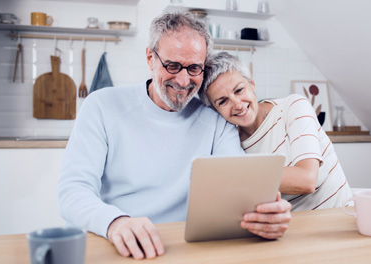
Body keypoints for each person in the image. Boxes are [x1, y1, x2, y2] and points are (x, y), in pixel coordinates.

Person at [57, 12, 291, 260]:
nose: (183, 80)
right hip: (117, 243)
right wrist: (115, 222)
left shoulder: (215, 121)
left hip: (185, 249)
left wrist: (265, 215)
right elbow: (73, 191)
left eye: (194, 68)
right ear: (150, 58)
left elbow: (240, 189)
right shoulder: (101, 106)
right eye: (172, 66)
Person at [199, 52, 353, 211]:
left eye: (239, 90)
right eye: (223, 101)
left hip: (340, 219)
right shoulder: (230, 144)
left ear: (252, 83)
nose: (237, 104)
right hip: (289, 229)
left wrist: (233, 176)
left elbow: (307, 180)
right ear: (216, 111)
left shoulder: (293, 107)